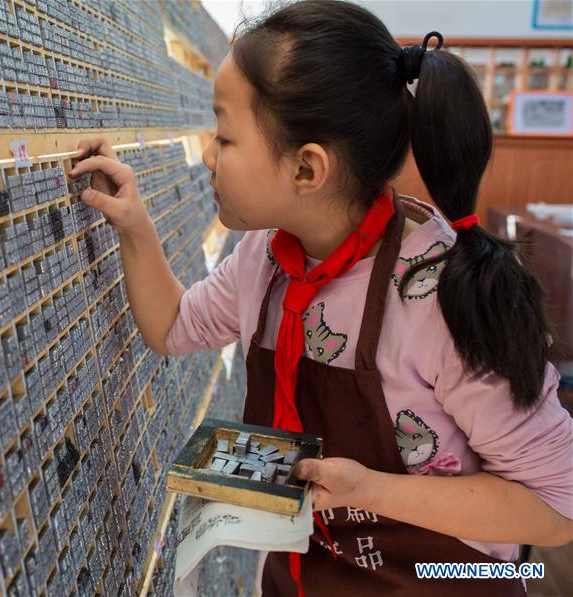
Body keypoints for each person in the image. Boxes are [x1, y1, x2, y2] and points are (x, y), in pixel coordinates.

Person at [66, 0, 573, 594]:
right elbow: (173, 325)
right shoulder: (265, 258)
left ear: (307, 170)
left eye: (225, 136)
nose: (207, 155)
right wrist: (134, 227)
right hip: (308, 574)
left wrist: (374, 491)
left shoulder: (439, 298)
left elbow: (555, 505)